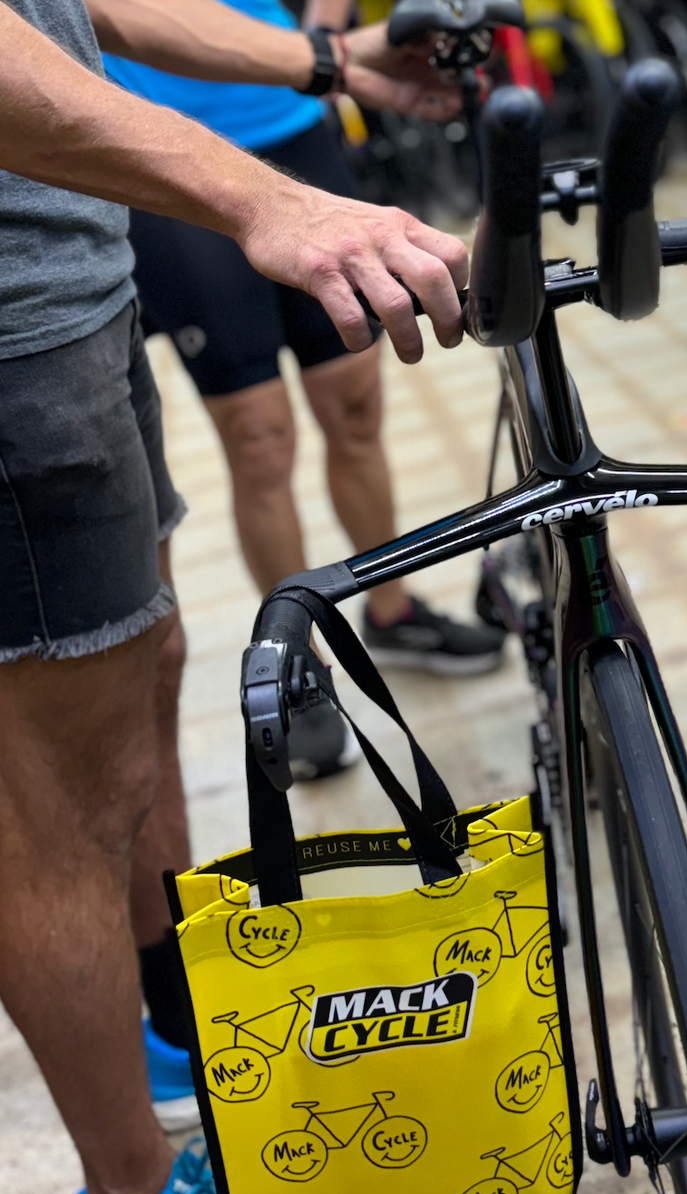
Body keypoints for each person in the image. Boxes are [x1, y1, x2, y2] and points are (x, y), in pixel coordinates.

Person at [0, 1, 469, 1194]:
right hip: (11, 341)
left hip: (71, 290)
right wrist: (260, 196)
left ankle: (162, 1030)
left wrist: (328, 62)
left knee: (146, 682)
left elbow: (76, 6)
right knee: (50, 811)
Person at [103, 11, 506, 786]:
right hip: (170, 157)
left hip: (291, 120)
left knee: (354, 403)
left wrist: (326, 32)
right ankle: (299, 663)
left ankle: (392, 612)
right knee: (259, 436)